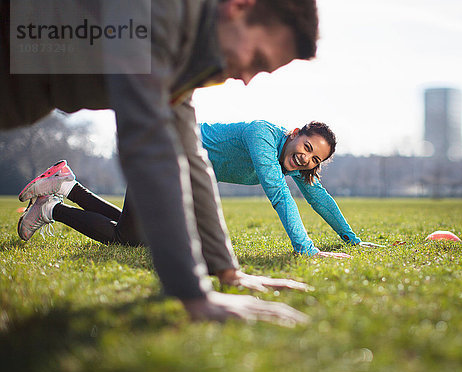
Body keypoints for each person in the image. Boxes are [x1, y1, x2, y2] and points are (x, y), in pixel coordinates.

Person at [1, 0, 319, 325]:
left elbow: (191, 156)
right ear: (239, 7)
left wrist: (227, 271)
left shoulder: (190, 54)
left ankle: (63, 189)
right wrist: (193, 292)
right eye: (257, 59)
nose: (249, 78)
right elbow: (148, 146)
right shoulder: (158, 17)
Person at [18, 121, 382, 258]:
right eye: (306, 147)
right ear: (295, 134)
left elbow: (319, 197)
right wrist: (306, 249)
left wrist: (351, 239)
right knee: (129, 237)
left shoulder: (292, 160)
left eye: (315, 158)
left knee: (136, 232)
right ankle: (53, 209)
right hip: (161, 151)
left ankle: (67, 184)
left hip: (172, 167)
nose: (306, 159)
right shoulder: (263, 136)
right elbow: (278, 194)